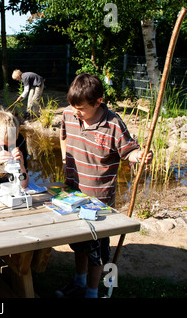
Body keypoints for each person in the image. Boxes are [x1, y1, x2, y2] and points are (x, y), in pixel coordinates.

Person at [58, 73, 153, 298]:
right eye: (73, 106)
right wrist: (64, 160)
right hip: (72, 194)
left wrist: (140, 155)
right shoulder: (68, 114)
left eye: (80, 108)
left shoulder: (113, 124)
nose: (75, 112)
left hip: (98, 202)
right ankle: (79, 282)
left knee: (97, 252)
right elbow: (63, 136)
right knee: (79, 244)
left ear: (98, 101)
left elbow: (129, 152)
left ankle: (92, 292)